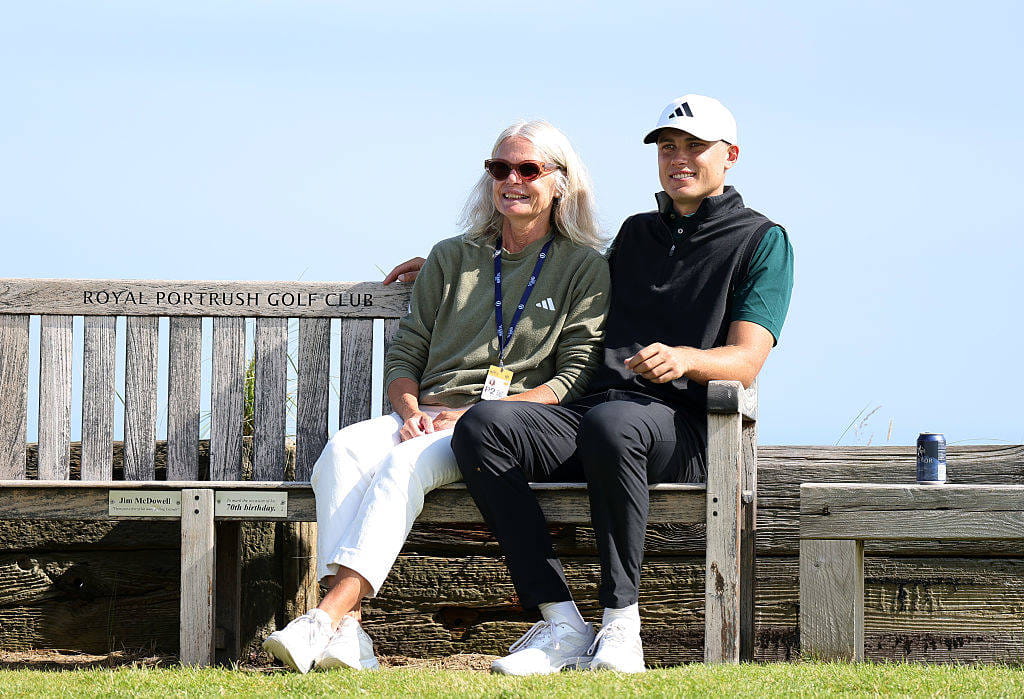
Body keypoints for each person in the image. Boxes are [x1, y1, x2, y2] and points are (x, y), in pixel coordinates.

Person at [385, 95, 794, 675]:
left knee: (614, 422)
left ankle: (621, 626)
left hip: (680, 431)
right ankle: (560, 622)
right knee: (482, 424)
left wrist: (685, 359)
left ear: (729, 157)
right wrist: (457, 263)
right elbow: (554, 260)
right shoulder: (635, 233)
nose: (679, 158)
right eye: (668, 147)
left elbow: (747, 360)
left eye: (695, 147)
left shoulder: (762, 240)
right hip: (598, 416)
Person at [261, 119, 610, 673]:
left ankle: (322, 619)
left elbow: (570, 379)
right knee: (344, 450)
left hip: (494, 429)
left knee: (401, 467)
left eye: (528, 169)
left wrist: (473, 414)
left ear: (561, 183)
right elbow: (405, 358)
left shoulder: (585, 266)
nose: (511, 180)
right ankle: (349, 634)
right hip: (426, 415)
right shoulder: (451, 257)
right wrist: (412, 411)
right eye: (500, 168)